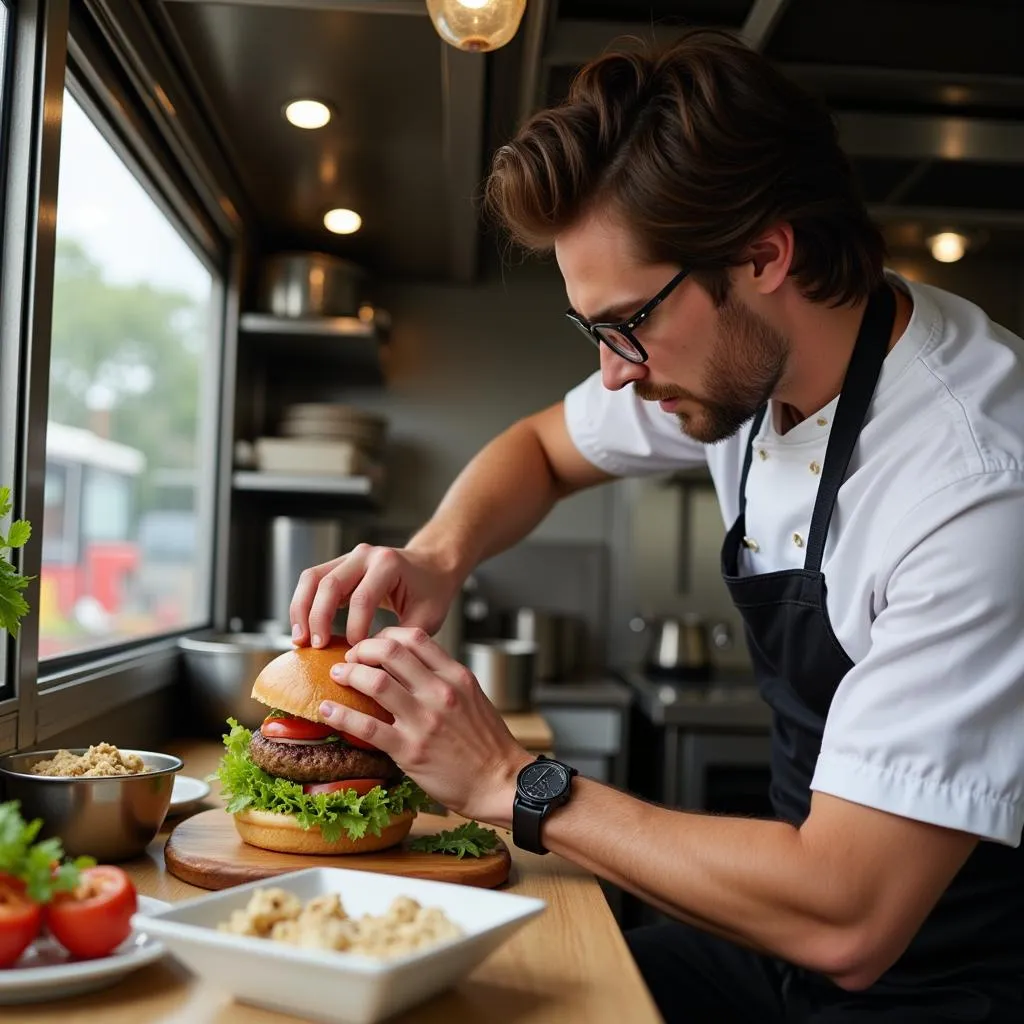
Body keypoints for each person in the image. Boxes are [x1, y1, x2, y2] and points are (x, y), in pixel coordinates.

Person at [288, 28, 1024, 1023]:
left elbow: (850, 916)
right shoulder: (734, 368)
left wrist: (514, 782)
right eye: (592, 331)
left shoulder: (974, 486)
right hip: (781, 938)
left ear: (765, 254)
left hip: (941, 976)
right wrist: (436, 552)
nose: (612, 373)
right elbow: (541, 449)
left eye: (627, 321)